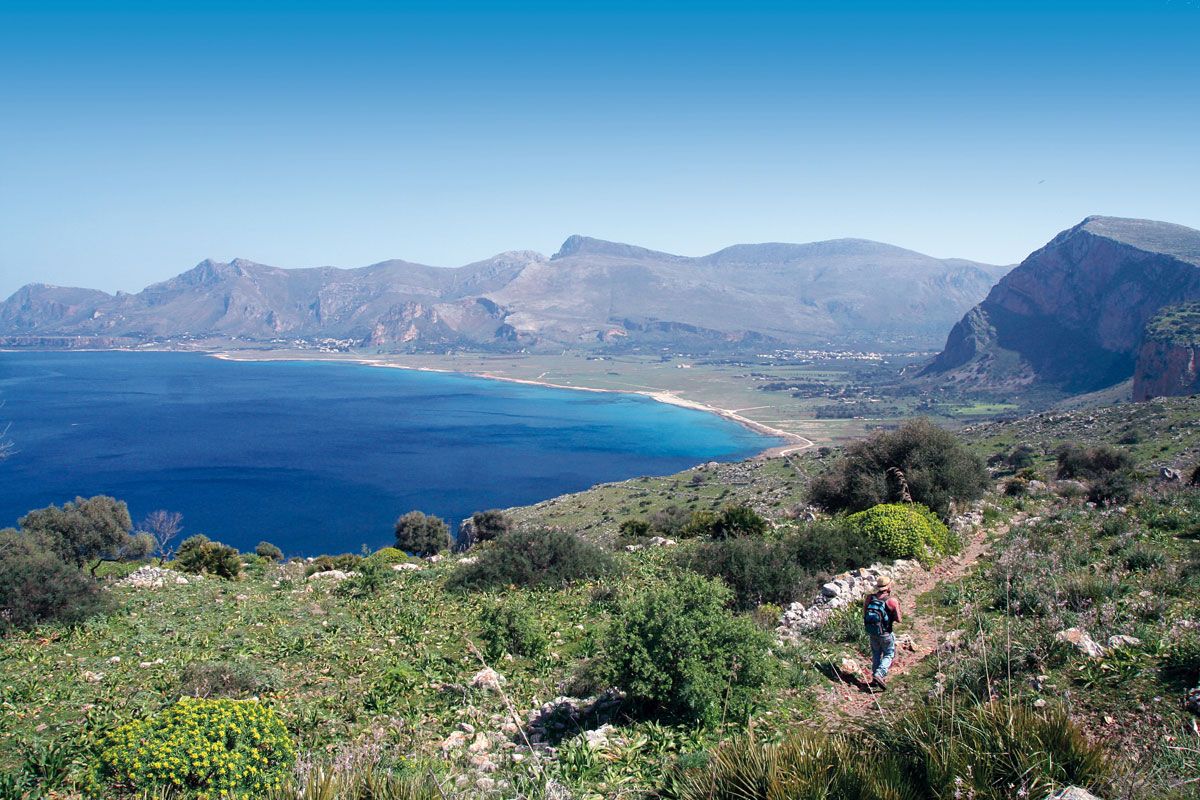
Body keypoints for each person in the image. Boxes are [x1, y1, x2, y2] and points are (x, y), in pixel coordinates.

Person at [862, 575, 902, 690]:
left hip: (872, 631)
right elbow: (899, 619)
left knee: (876, 654)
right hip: (885, 632)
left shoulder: (870, 597)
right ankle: (879, 674)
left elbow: (865, 614)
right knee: (889, 654)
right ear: (888, 586)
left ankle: (874, 679)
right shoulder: (892, 600)